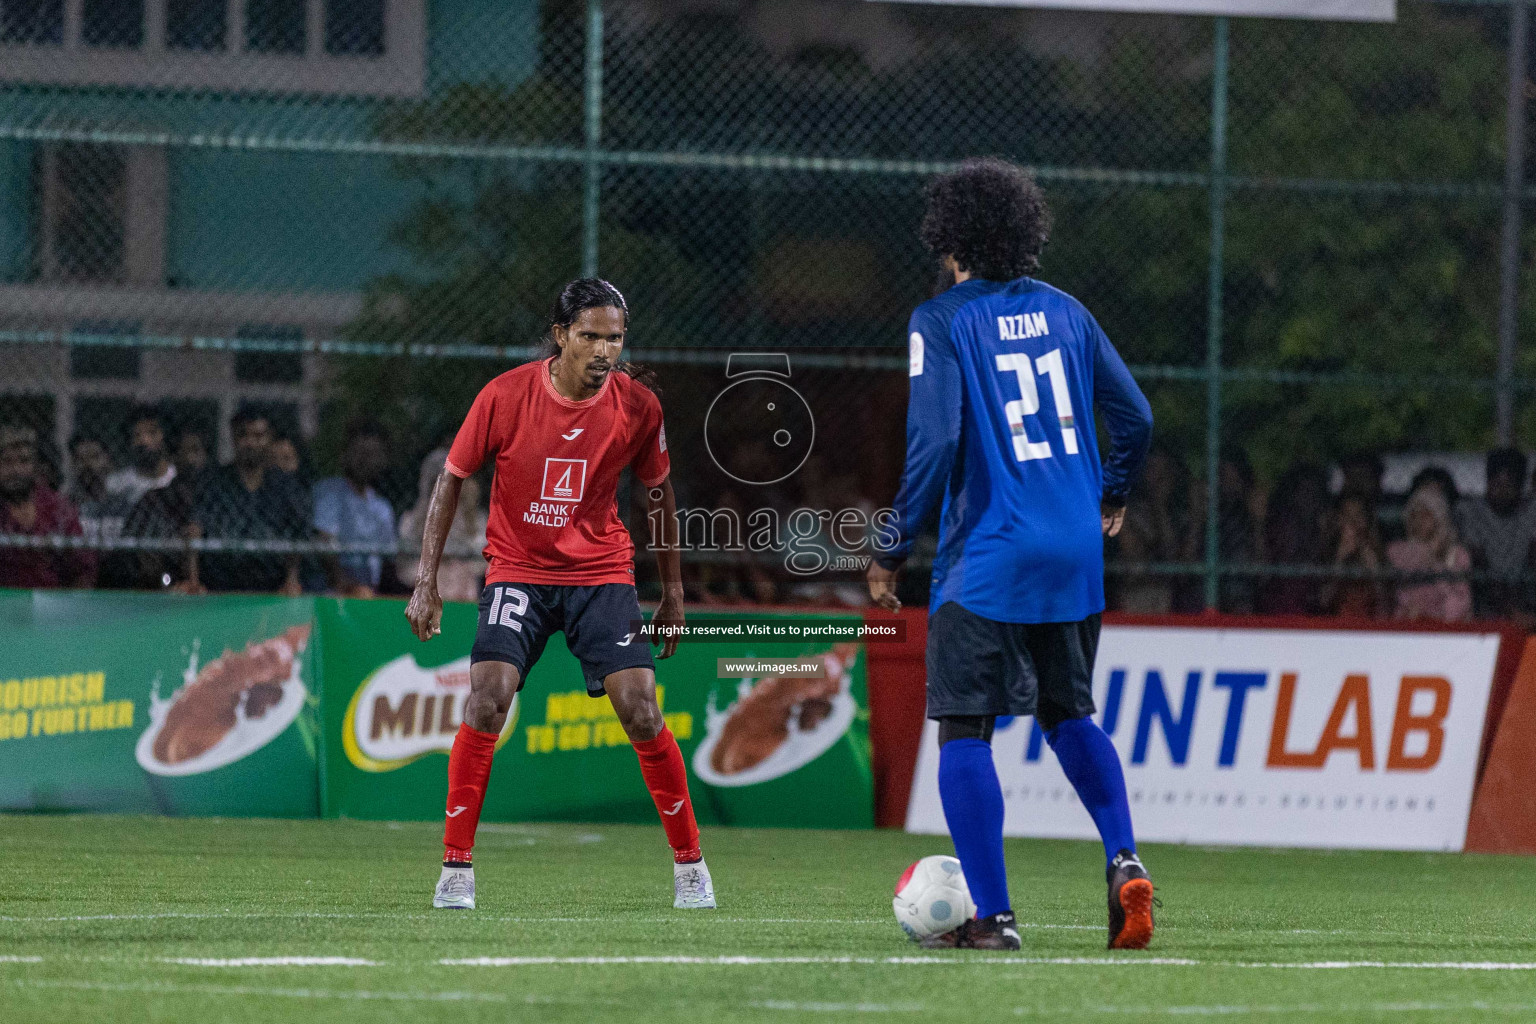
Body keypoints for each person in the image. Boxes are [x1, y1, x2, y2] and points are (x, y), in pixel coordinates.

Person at [866, 159, 1155, 951]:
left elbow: (936, 438)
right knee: (1070, 714)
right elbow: (1135, 415)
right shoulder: (1068, 312)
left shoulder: (942, 319)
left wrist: (892, 546)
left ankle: (992, 917)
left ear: (949, 237)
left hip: (991, 551)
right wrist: (1113, 494)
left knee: (964, 728)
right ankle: (1124, 858)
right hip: (1074, 552)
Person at [404, 278, 708, 912]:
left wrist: (673, 592)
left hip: (600, 574)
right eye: (591, 336)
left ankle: (691, 868)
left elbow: (659, 494)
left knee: (643, 710)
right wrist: (426, 581)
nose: (604, 351)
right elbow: (452, 480)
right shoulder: (505, 396)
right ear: (561, 336)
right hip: (518, 570)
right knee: (488, 697)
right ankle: (455, 871)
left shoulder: (637, 406)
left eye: (615, 339)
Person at [194, 409, 310, 594]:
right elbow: (194, 529)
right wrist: (193, 581)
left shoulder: (285, 487)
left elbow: (297, 534)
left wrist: (291, 581)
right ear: (233, 438)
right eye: (243, 435)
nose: (250, 443)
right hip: (220, 584)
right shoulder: (214, 483)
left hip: (272, 584)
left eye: (258, 436)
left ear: (270, 439)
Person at [0, 425, 96, 589]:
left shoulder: (56, 506)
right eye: (7, 461)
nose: (15, 470)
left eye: (23, 461)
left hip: (50, 603)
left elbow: (83, 567)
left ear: (35, 466)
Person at [119, 426, 213, 591]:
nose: (192, 460)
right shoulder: (153, 500)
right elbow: (132, 554)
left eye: (197, 451)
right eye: (185, 451)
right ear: (173, 456)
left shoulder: (214, 499)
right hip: (161, 590)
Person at [312, 418, 396, 597]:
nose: (366, 460)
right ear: (346, 454)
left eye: (373, 454)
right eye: (360, 453)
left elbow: (389, 560)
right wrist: (346, 585)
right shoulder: (330, 492)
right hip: (334, 589)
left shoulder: (383, 508)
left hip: (371, 589)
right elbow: (325, 543)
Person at [1455, 447, 1536, 618]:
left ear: (1521, 487)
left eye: (1509, 485)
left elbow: (1532, 557)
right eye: (1497, 484)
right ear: (1488, 482)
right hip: (1486, 597)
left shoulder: (1530, 510)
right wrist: (1511, 609)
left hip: (1525, 593)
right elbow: (1478, 563)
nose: (1502, 492)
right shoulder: (1471, 511)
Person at [1388, 484, 1473, 622]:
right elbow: (1398, 596)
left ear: (1440, 517)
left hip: (1446, 627)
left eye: (1426, 515)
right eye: (1414, 515)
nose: (1418, 521)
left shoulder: (1458, 554)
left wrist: (1436, 562)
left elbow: (1457, 609)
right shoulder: (1397, 551)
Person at [1323, 494, 1386, 618]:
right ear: (1338, 520)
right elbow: (1322, 604)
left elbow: (1386, 610)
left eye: (1358, 515)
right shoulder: (1324, 554)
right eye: (1348, 516)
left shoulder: (1381, 555)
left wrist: (1376, 571)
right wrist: (1339, 560)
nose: (1353, 522)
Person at [66, 432, 131, 545]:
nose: (88, 464)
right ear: (73, 464)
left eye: (94, 457)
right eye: (81, 459)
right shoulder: (66, 506)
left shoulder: (124, 505)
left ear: (108, 460)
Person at [106, 405, 176, 507]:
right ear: (130, 442)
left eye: (152, 432)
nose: (145, 441)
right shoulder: (116, 483)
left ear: (164, 436)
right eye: (137, 435)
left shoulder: (177, 478)